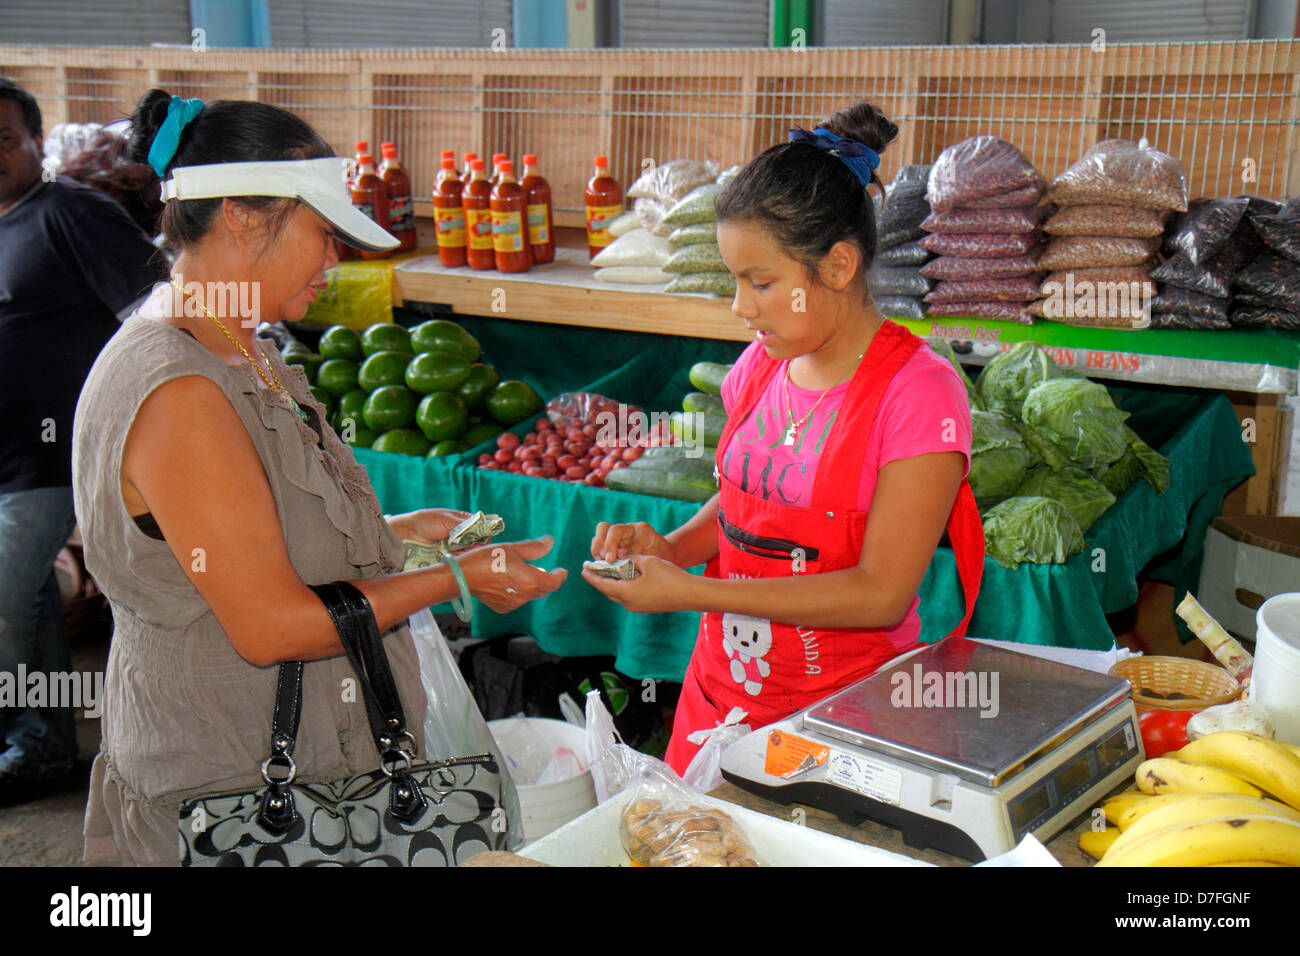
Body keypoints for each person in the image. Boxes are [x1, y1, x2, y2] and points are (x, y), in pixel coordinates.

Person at [71, 88, 567, 865]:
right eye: (322, 234)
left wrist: (406, 537)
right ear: (239, 214)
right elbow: (272, 626)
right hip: (231, 795)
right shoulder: (180, 392)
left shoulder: (242, 346)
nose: (335, 260)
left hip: (306, 768)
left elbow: (260, 543)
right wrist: (458, 580)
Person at [584, 102, 985, 775]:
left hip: (843, 719)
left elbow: (879, 593)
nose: (741, 307)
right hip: (722, 700)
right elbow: (746, 504)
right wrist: (673, 549)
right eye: (736, 281)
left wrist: (693, 593)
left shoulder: (919, 394)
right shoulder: (763, 364)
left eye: (760, 282)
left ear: (836, 266)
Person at [0, 77, 166, 806]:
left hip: (51, 456)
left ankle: (35, 740)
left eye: (4, 139)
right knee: (28, 599)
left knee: (4, 597)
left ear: (39, 141)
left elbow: (157, 309)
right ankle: (40, 741)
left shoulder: (69, 213)